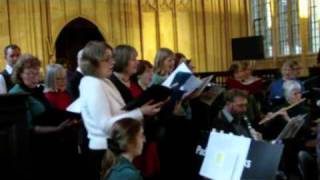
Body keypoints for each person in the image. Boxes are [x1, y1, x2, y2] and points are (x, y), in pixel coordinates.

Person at [75, 41, 163, 180]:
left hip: (110, 146)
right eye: (107, 59)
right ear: (94, 62)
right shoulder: (92, 83)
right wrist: (140, 112)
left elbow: (120, 111)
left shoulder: (104, 80)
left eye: (112, 58)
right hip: (103, 149)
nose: (112, 62)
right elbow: (105, 125)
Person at [9, 54, 75, 179]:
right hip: (34, 148)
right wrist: (57, 129)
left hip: (49, 143)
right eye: (30, 73)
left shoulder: (36, 90)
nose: (35, 77)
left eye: (37, 73)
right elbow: (29, 128)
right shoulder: (17, 93)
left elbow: (50, 111)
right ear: (20, 74)